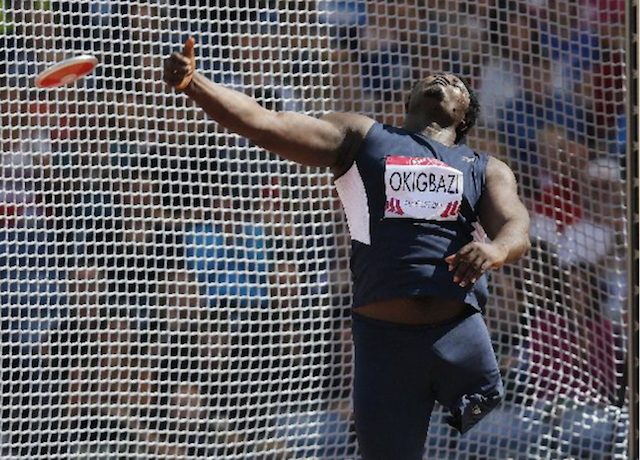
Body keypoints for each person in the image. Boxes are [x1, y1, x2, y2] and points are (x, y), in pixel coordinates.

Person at [163, 37, 531, 460]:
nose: (443, 80)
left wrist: (499, 249)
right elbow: (266, 123)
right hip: (381, 341)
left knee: (488, 396)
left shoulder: (484, 167)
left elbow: (515, 224)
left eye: (455, 84)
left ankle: (471, 398)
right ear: (408, 99)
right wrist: (195, 84)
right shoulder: (363, 137)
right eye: (432, 78)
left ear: (463, 116)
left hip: (457, 329)